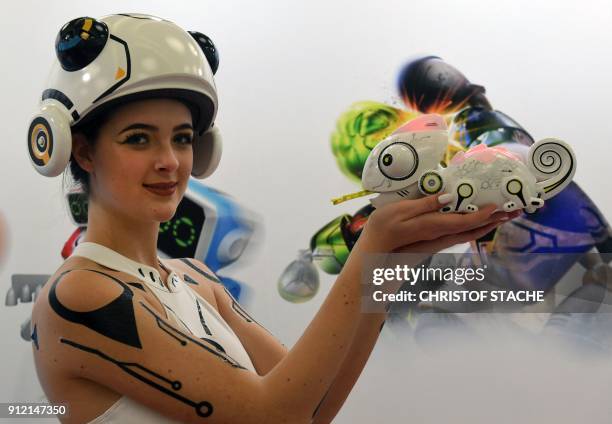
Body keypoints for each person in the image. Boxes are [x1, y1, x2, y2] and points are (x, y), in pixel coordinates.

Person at [29, 14, 518, 424]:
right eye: (139, 138)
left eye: (180, 138)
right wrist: (371, 246)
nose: (170, 161)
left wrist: (392, 261)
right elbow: (272, 417)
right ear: (84, 151)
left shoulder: (194, 279)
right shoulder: (80, 293)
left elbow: (314, 409)